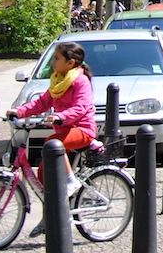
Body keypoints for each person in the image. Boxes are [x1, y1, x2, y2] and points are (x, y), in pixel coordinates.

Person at [7, 42, 97, 234]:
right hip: (65, 130)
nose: (53, 63)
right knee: (43, 172)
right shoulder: (58, 81)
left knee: (51, 143)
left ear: (70, 62)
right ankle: (50, 216)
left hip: (82, 129)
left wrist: (60, 116)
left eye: (56, 59)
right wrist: (19, 111)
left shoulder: (80, 81)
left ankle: (72, 182)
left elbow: (81, 107)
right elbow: (40, 103)